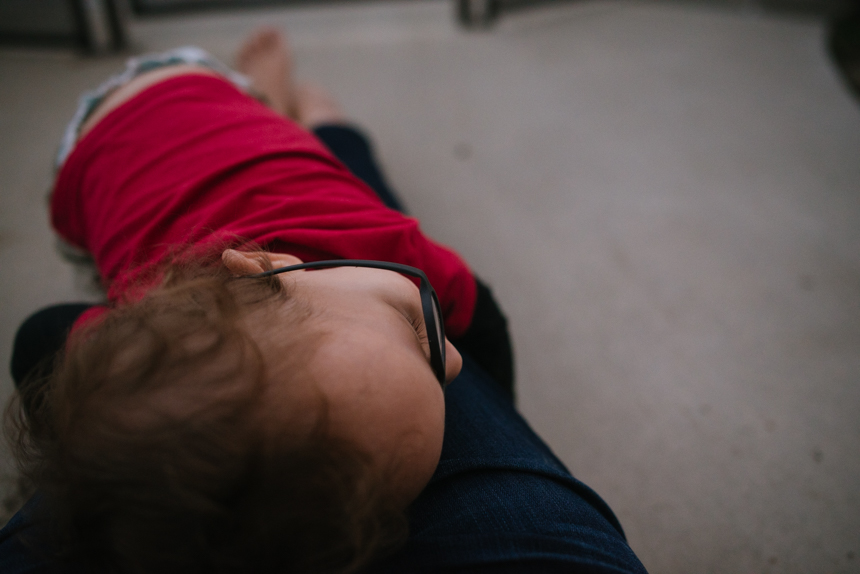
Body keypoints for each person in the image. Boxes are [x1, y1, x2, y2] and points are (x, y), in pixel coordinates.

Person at [1, 29, 647, 574]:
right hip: (137, 127)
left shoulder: (388, 277)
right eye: (423, 329)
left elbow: (483, 327)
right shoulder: (391, 244)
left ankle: (294, 105)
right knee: (306, 135)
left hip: (134, 125)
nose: (455, 362)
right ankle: (295, 106)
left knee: (307, 133)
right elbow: (44, 332)